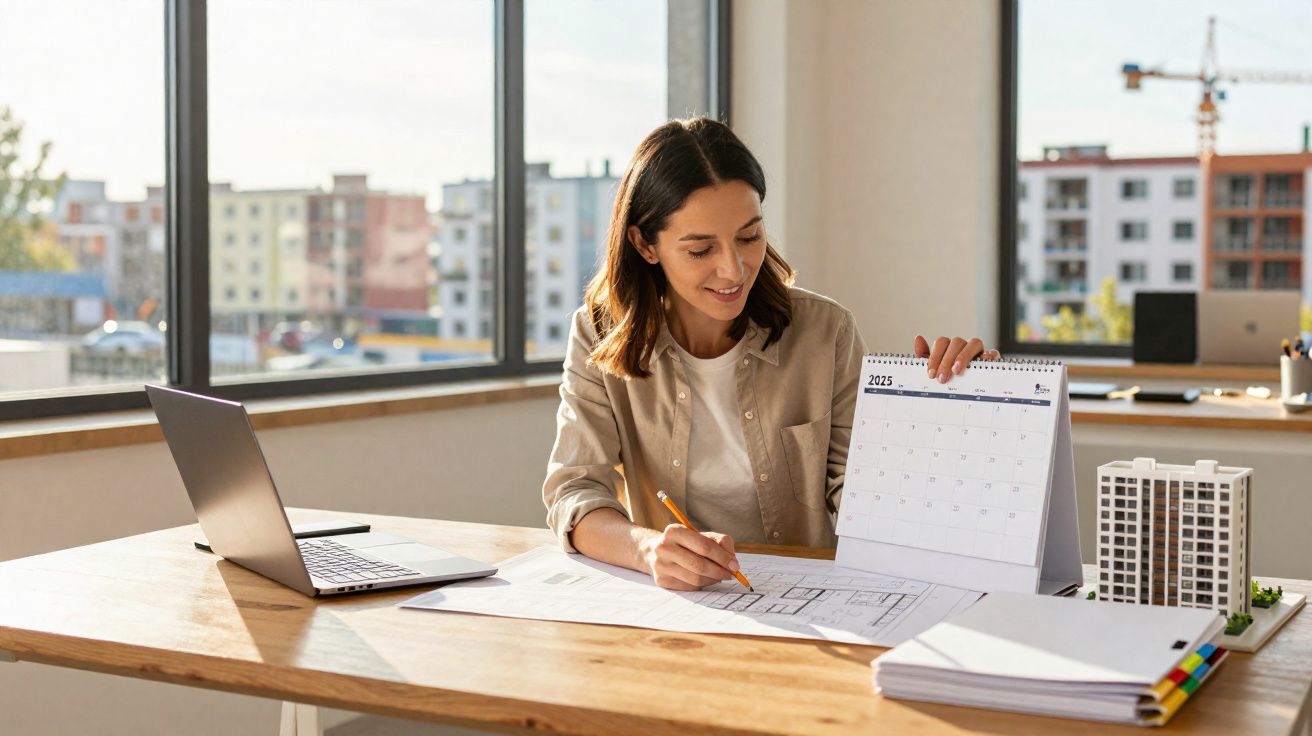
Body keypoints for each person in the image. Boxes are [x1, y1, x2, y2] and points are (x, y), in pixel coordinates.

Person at [542, 117, 998, 591]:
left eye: (749, 237)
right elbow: (574, 491)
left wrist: (956, 420)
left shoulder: (826, 332)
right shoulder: (598, 334)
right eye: (700, 250)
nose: (734, 269)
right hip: (679, 606)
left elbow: (865, 499)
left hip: (811, 601)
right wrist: (648, 550)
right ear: (644, 245)